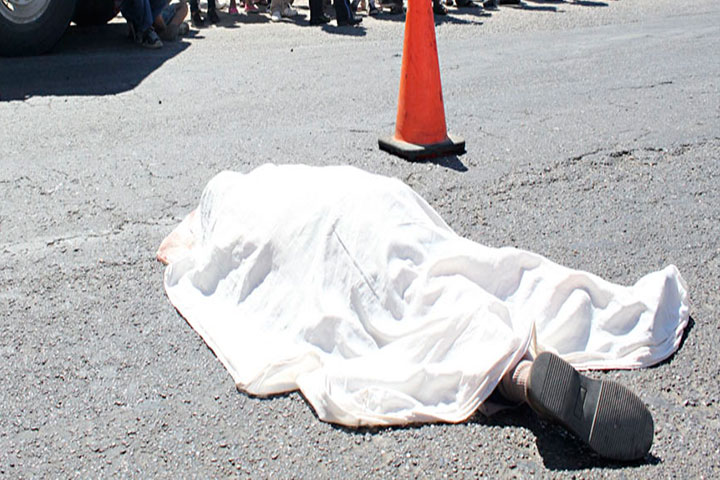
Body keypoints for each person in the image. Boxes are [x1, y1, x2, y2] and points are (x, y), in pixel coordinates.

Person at [157, 165, 688, 462]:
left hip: (330, 237)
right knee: (442, 271)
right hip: (376, 204)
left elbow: (184, 253)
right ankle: (516, 367)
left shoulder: (232, 217)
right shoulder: (284, 179)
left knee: (396, 313)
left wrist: (188, 250)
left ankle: (515, 375)